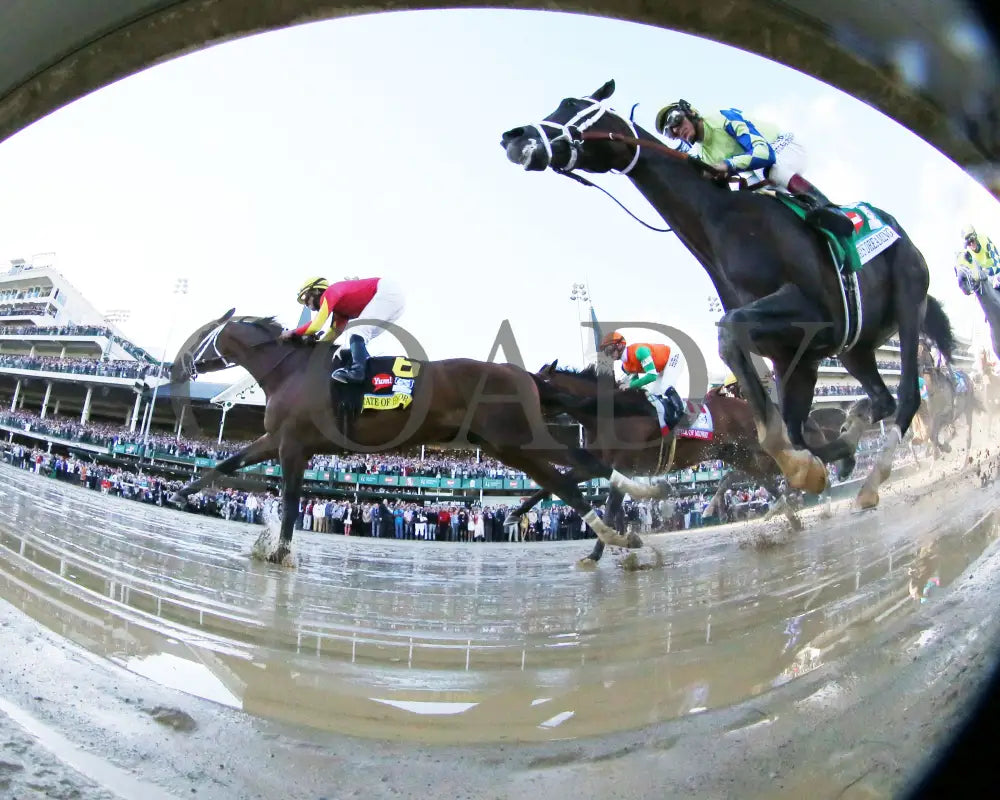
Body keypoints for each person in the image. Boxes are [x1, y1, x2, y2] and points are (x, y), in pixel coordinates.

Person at [653, 99, 855, 238]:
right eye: (671, 132)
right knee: (751, 201)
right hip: (757, 169)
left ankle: (831, 210)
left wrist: (728, 165)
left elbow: (764, 154)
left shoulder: (723, 118)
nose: (677, 130)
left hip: (782, 149)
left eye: (676, 120)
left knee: (770, 170)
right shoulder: (703, 154)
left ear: (690, 112)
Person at [280, 276, 405, 383]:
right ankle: (371, 375)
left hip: (387, 292)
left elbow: (315, 326)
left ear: (316, 291)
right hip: (393, 301)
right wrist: (316, 346)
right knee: (358, 339)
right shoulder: (340, 310)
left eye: (305, 298)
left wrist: (292, 332)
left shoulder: (330, 293)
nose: (306, 304)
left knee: (357, 332)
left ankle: (357, 372)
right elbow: (333, 334)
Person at [599, 330, 686, 436]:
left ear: (619, 345)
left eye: (609, 349)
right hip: (660, 367)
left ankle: (682, 416)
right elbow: (635, 383)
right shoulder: (625, 366)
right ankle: (667, 420)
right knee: (654, 395)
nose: (608, 354)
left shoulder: (640, 351)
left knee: (665, 386)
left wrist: (630, 385)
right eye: (606, 351)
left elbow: (652, 376)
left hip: (673, 356)